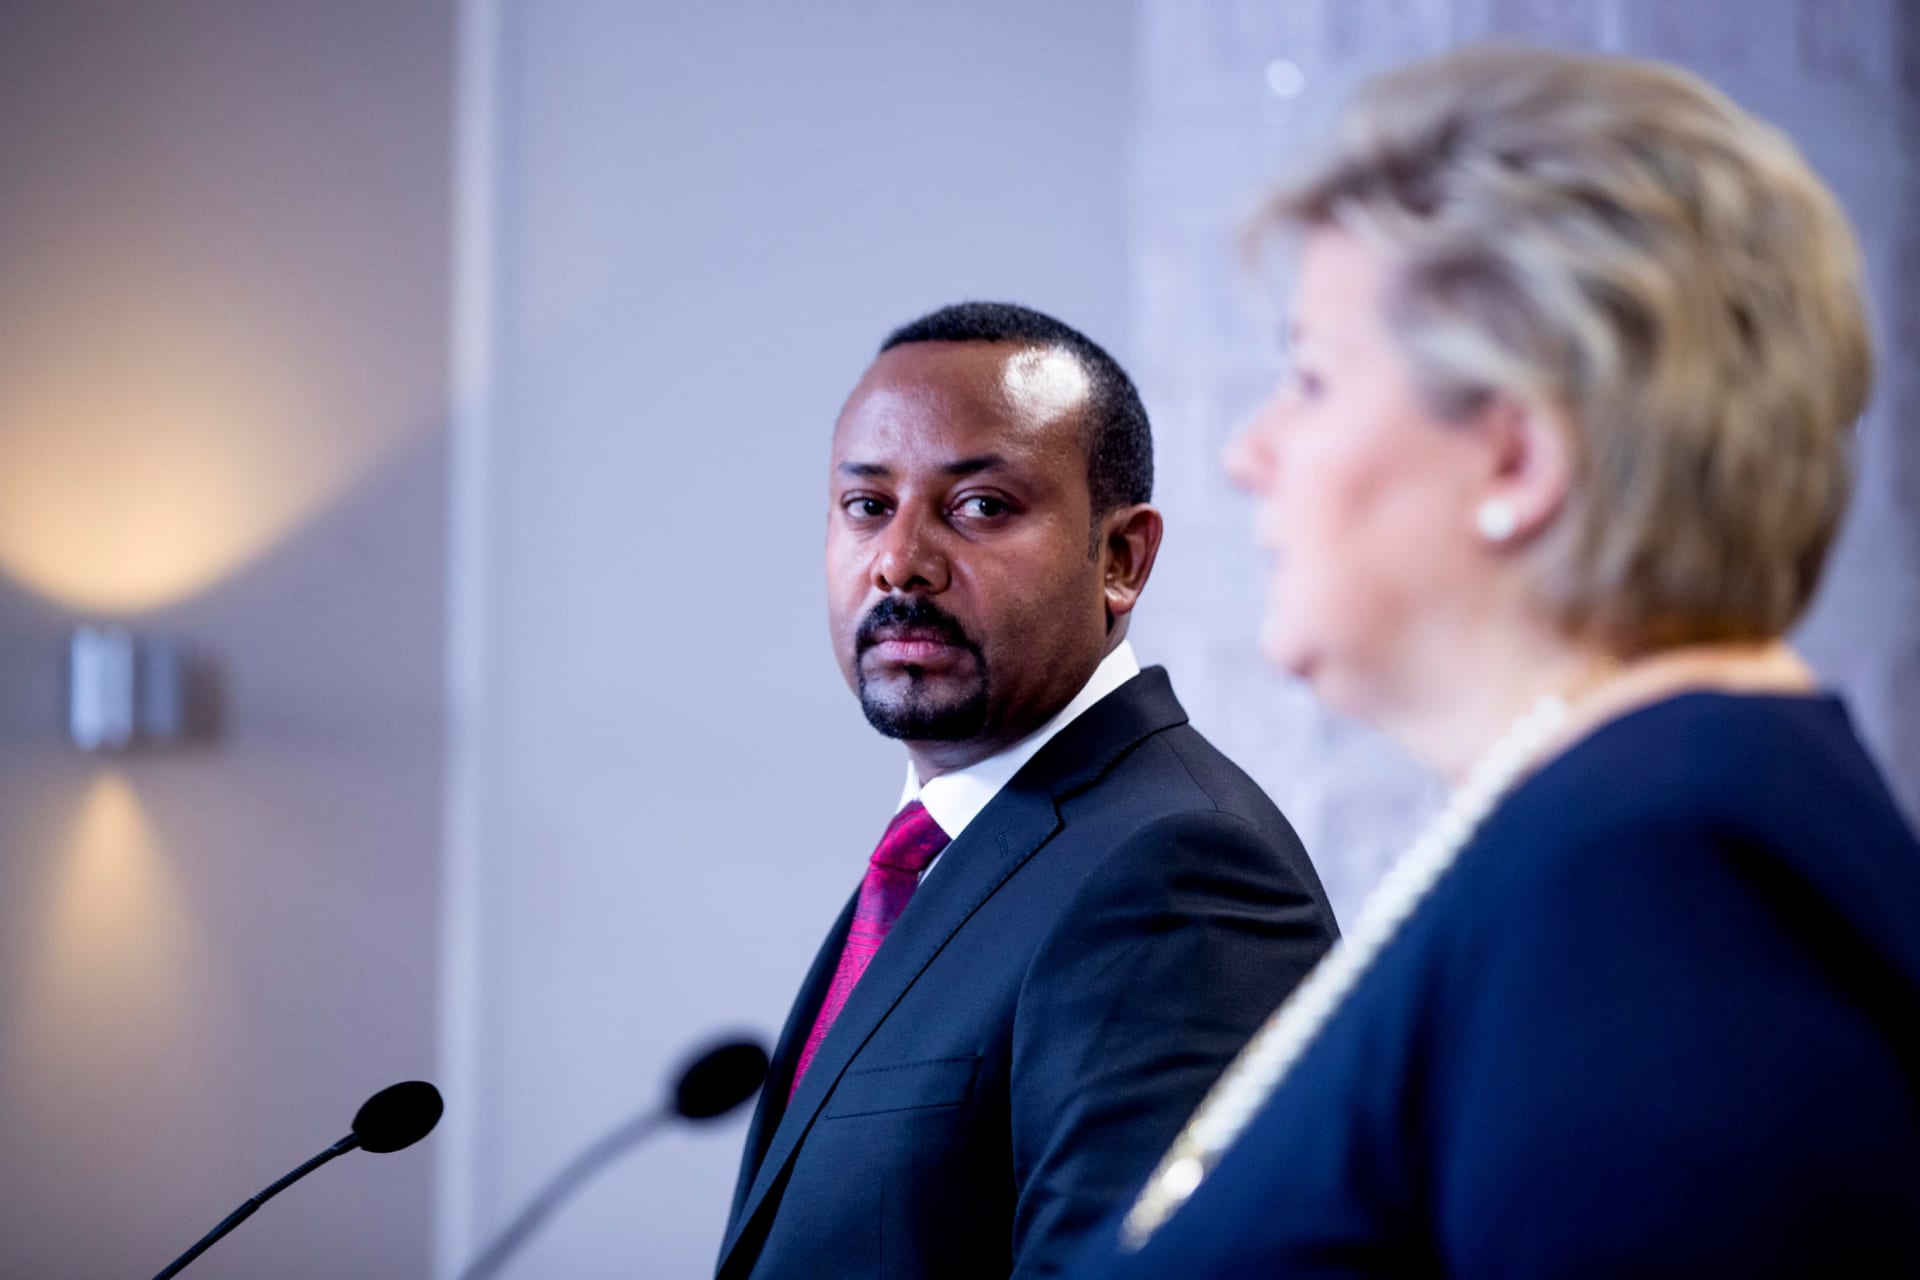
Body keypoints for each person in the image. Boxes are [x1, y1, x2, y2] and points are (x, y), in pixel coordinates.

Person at [1068, 43, 1920, 1278]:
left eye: (1310, 377)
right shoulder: (1630, 823)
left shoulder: (1655, 877)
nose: (1252, 452)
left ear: (1517, 459)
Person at [715, 302, 1338, 1280]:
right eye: (868, 505)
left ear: (1121, 559)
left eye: (980, 507)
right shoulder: (943, 849)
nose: (900, 562)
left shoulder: (1177, 872)